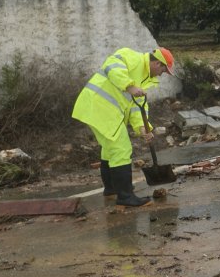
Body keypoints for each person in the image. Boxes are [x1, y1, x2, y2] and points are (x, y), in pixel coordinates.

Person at [72, 47, 175, 207]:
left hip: (102, 109)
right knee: (121, 149)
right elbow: (111, 66)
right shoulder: (131, 57)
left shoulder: (145, 78)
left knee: (110, 150)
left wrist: (142, 127)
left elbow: (137, 106)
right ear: (157, 63)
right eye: (163, 70)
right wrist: (129, 86)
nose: (162, 74)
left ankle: (112, 188)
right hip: (99, 106)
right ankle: (125, 197)